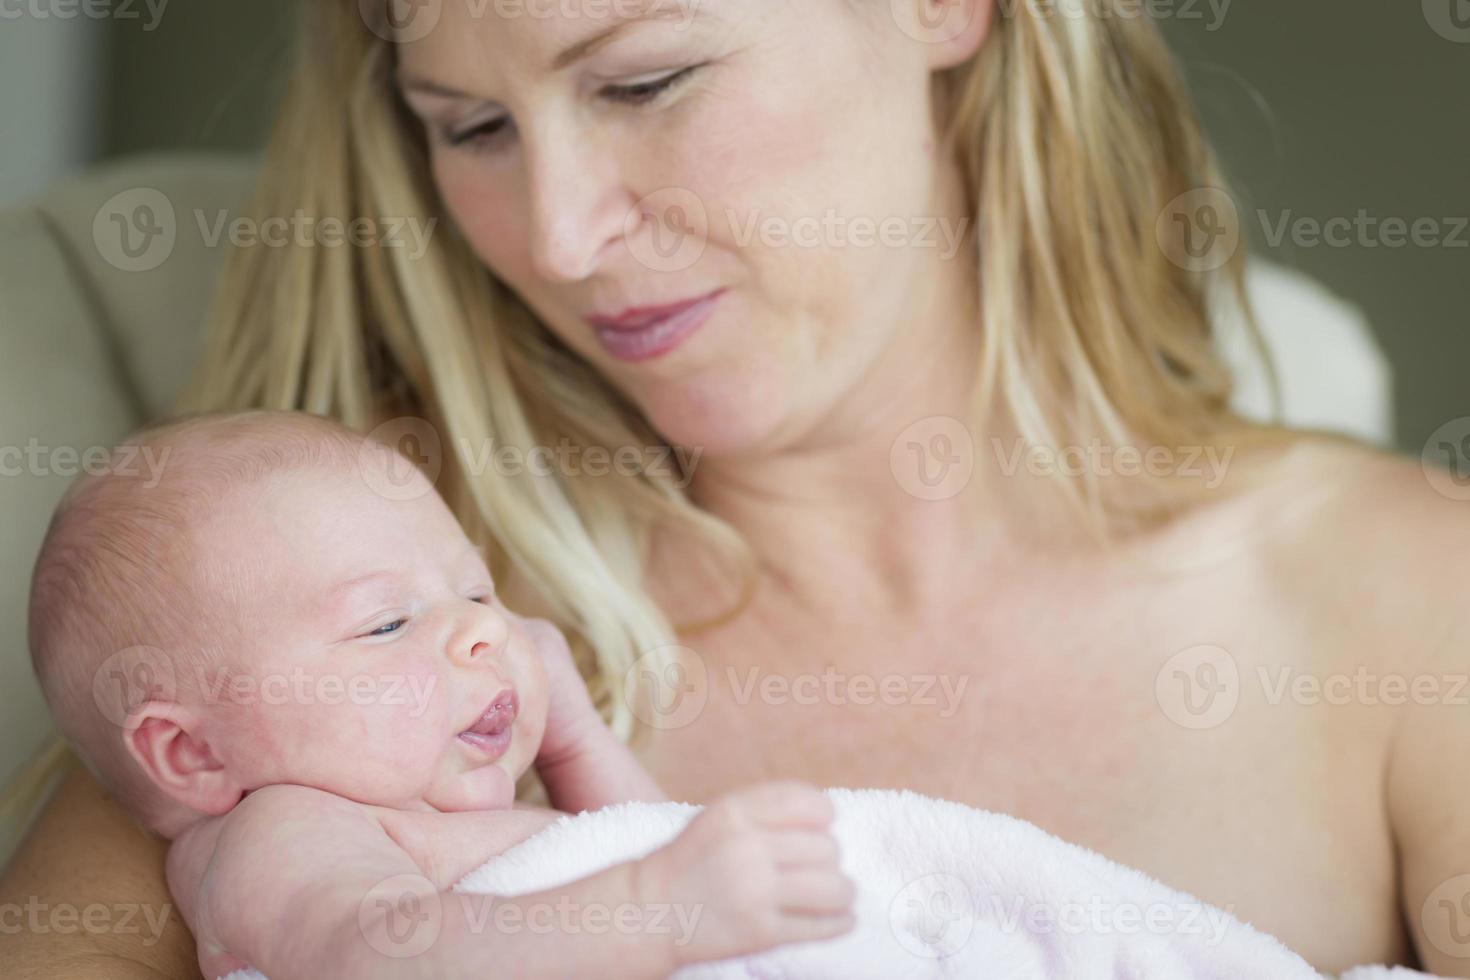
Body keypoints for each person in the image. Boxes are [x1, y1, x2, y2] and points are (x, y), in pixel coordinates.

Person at [5, 1, 1467, 976]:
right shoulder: (312, 602)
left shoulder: (1404, 606)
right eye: (470, 125)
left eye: (646, 79)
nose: (562, 236)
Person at [27, 410, 852, 980]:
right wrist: (652, 905)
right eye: (387, 624)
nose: (483, 634)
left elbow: (643, 838)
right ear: (195, 752)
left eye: (477, 594)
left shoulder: (430, 815)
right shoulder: (279, 834)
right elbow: (380, 957)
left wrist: (572, 741)